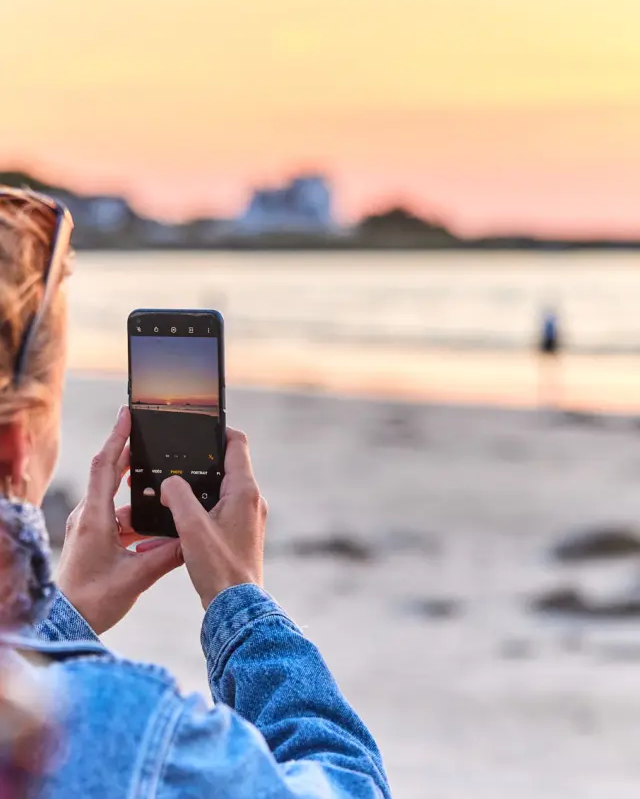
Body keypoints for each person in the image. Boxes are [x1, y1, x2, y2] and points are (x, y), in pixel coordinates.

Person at [0, 188, 390, 799]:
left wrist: (58, 620)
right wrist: (243, 605)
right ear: (16, 448)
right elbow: (348, 784)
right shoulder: (127, 732)